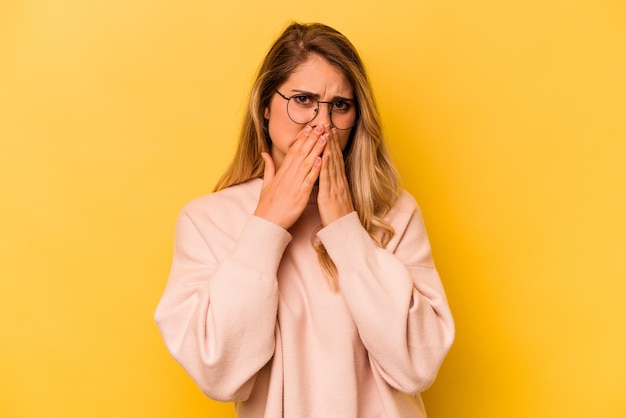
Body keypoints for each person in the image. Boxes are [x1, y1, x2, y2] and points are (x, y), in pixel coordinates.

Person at [155, 22, 454, 418]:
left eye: (340, 106)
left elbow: (417, 367)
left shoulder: (394, 214)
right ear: (265, 105)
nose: (322, 124)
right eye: (303, 99)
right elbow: (220, 374)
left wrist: (346, 229)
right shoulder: (208, 221)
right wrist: (267, 226)